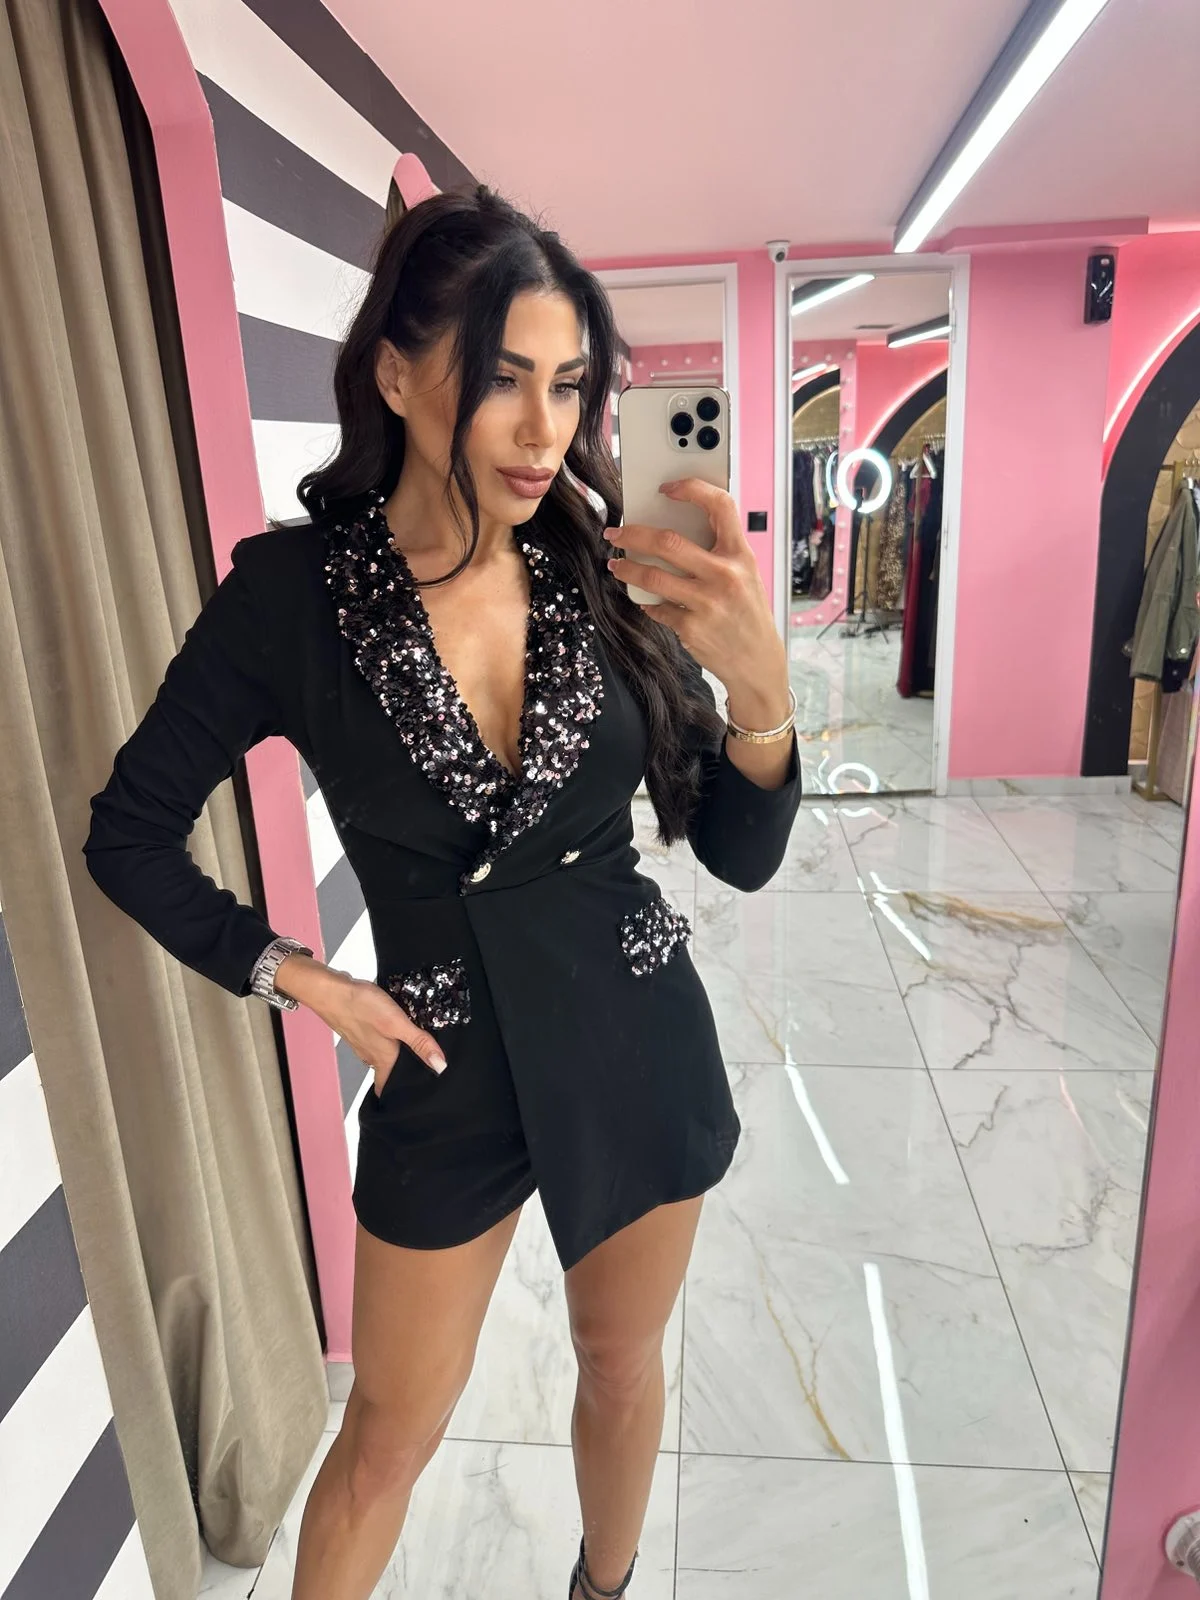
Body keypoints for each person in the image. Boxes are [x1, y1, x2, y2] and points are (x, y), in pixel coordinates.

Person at [82, 185, 802, 1600]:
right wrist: (300, 977)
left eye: (569, 387)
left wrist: (763, 693)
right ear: (399, 374)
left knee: (619, 1361)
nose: (543, 431)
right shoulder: (291, 598)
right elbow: (129, 832)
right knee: (384, 1441)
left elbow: (738, 848)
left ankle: (603, 1589)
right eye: (501, 378)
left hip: (633, 1027)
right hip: (444, 1056)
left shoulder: (606, 564)